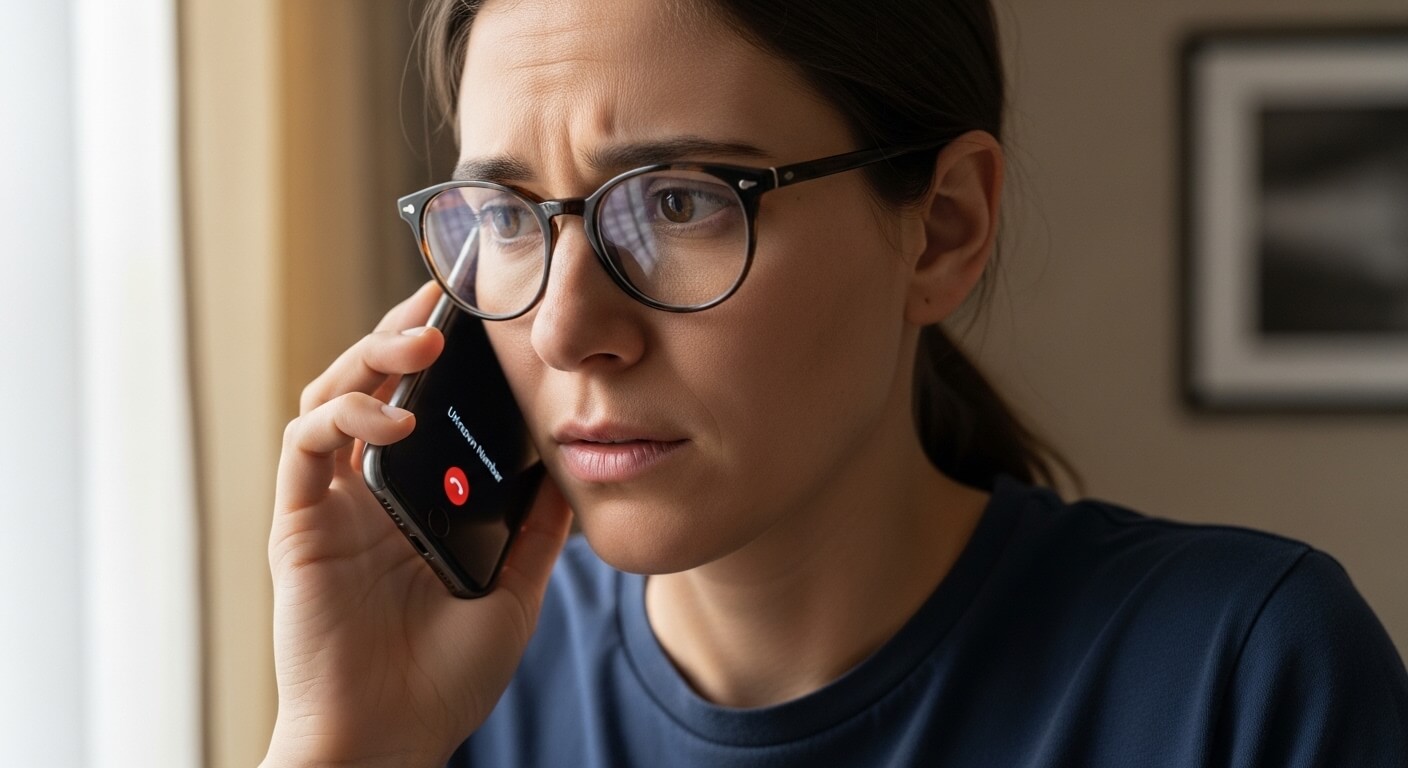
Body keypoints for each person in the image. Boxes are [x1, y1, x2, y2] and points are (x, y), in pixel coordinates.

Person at [263, 0, 1408, 765]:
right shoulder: (448, 697)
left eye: (678, 202)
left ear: (941, 231)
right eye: (508, 219)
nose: (565, 329)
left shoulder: (1242, 679)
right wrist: (342, 748)